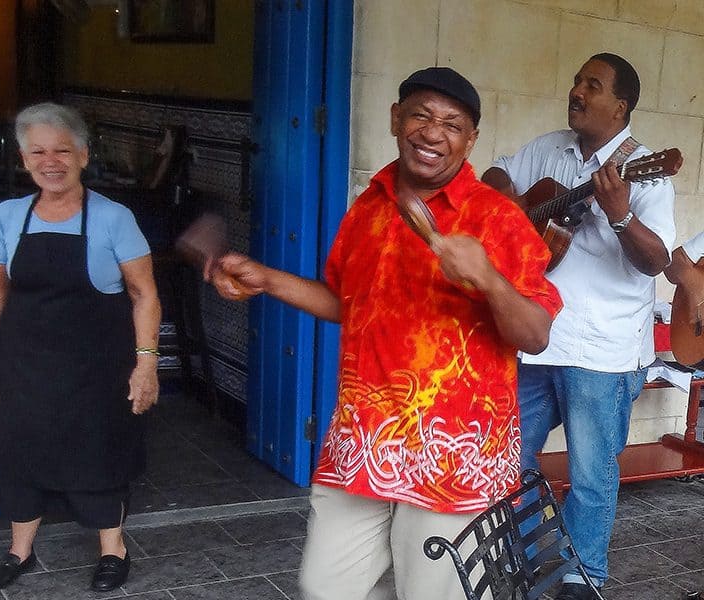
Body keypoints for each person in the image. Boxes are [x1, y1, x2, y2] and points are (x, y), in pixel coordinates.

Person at [208, 67, 562, 600]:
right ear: (397, 119)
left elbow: (535, 335)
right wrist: (269, 280)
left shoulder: (498, 220)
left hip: (454, 456)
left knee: (432, 595)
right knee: (325, 587)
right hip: (365, 441)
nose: (432, 132)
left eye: (452, 123)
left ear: (471, 139)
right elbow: (349, 304)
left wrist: (488, 278)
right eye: (420, 115)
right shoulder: (369, 206)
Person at [481, 53, 676, 600]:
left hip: (601, 350)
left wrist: (619, 215)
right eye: (576, 81)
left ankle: (581, 577)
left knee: (591, 477)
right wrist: (516, 205)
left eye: (592, 85)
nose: (577, 91)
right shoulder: (549, 147)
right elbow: (494, 175)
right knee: (505, 459)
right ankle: (533, 560)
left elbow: (656, 260)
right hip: (537, 339)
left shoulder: (645, 171)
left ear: (620, 107)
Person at [0, 102, 161, 592]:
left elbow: (145, 294)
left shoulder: (115, 218)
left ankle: (113, 550)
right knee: (19, 457)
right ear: (23, 157)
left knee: (99, 456)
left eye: (62, 150)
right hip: (22, 366)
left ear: (83, 154)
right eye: (38, 151)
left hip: (97, 369)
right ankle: (19, 552)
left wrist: (147, 365)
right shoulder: (8, 216)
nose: (50, 161)